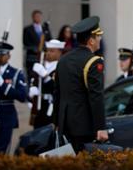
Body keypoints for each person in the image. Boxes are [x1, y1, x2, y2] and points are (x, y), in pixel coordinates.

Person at [54, 15, 108, 152]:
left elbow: (57, 94)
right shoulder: (94, 62)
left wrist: (56, 122)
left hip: (64, 123)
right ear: (91, 41)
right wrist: (101, 127)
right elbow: (96, 96)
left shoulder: (63, 60)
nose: (100, 39)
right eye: (98, 36)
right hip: (84, 126)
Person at [0, 37, 28, 154]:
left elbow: (22, 96)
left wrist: (4, 85)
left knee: (2, 151)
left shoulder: (16, 73)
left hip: (6, 117)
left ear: (8, 56)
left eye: (2, 55)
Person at [29, 38, 64, 129]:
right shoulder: (41, 64)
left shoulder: (61, 67)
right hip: (39, 105)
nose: (48, 53)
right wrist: (31, 93)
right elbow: (34, 81)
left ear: (59, 53)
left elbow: (57, 88)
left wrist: (45, 76)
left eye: (52, 51)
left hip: (52, 106)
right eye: (47, 50)